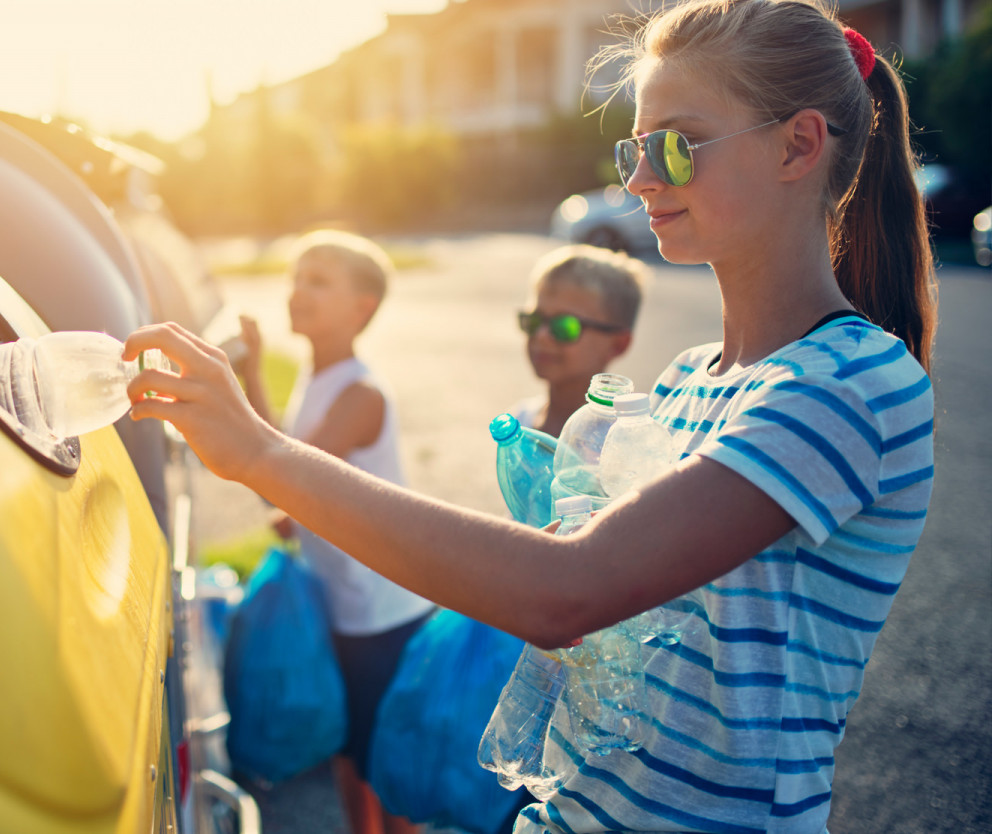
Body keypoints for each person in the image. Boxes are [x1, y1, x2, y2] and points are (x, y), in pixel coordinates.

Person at [126, 1, 936, 831]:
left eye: (674, 146)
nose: (638, 180)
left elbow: (566, 593)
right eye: (633, 147)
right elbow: (608, 619)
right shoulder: (690, 378)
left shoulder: (853, 384)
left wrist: (261, 454)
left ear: (798, 145)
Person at [233, 229, 434, 834]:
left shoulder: (359, 393)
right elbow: (287, 465)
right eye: (296, 277)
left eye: (318, 280)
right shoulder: (317, 378)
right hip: (343, 602)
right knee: (349, 752)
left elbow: (282, 474)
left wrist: (289, 498)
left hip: (379, 611)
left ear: (361, 308)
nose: (299, 291)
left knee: (384, 764)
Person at [510, 244, 649, 436]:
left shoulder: (623, 439)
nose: (542, 335)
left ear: (618, 344)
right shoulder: (521, 420)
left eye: (565, 326)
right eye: (534, 320)